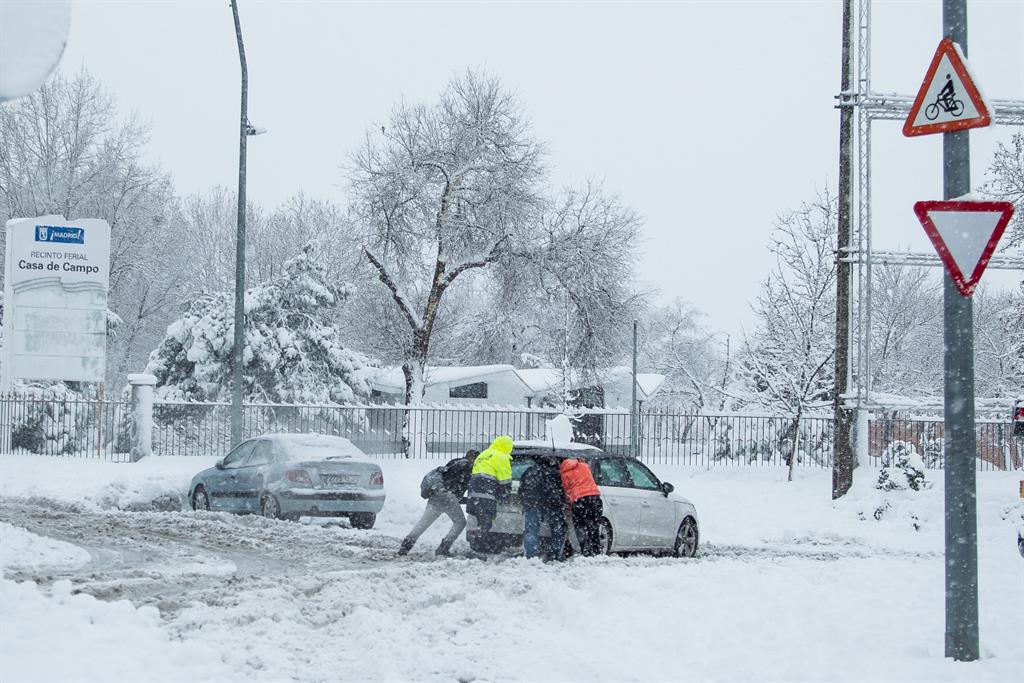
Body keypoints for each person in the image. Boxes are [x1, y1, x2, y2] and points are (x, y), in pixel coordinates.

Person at [398, 449, 479, 556]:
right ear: (473, 458)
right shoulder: (467, 465)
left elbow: (449, 479)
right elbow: (456, 486)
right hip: (447, 496)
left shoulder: (456, 461)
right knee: (460, 523)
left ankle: (406, 545)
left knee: (424, 522)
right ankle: (444, 548)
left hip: (436, 494)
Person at [466, 435, 514, 553]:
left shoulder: (484, 454)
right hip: (487, 492)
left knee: (480, 519)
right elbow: (505, 480)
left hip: (474, 492)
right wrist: (505, 494)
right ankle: (481, 548)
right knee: (486, 522)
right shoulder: (502, 457)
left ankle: (478, 545)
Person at [518, 455, 567, 561]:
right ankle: (553, 555)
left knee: (531, 530)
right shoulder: (555, 473)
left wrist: (524, 501)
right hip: (552, 504)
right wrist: (562, 501)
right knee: (558, 529)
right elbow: (562, 490)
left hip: (532, 504)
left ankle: (531, 556)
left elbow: (521, 489)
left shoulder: (529, 471)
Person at [560, 457, 603, 556]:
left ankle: (584, 550)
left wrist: (569, 503)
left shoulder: (565, 474)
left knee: (580, 526)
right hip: (595, 497)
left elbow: (567, 491)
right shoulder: (584, 466)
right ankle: (596, 551)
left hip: (580, 500)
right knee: (594, 526)